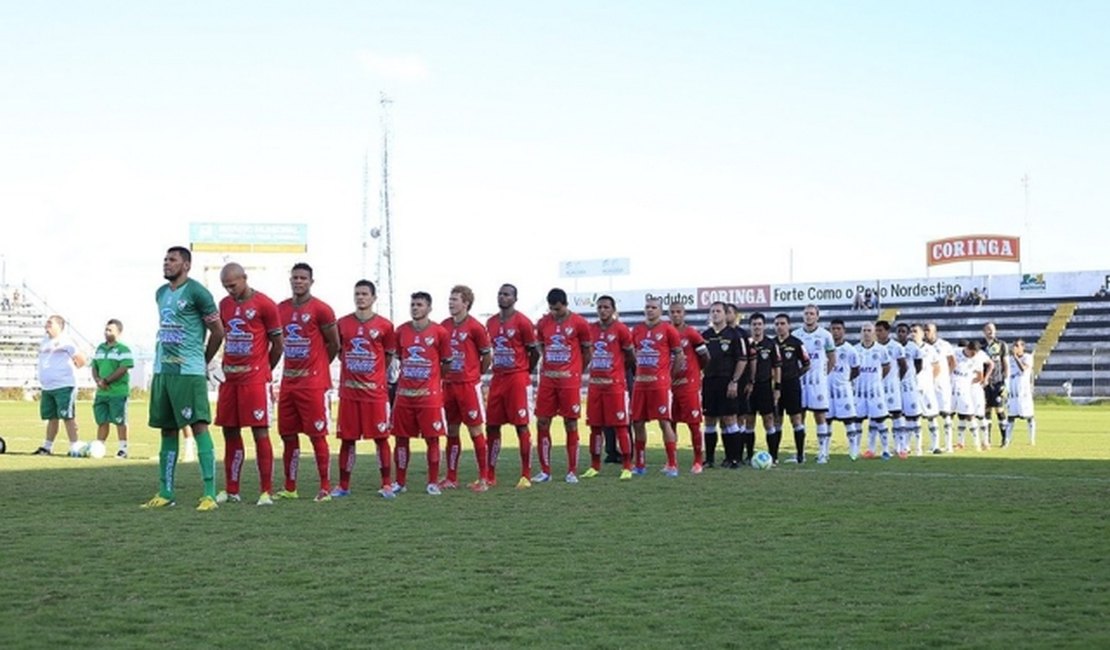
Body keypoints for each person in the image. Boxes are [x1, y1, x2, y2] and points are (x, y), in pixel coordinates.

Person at [142, 246, 225, 511]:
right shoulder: (161, 293)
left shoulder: (198, 292)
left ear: (186, 265)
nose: (166, 263)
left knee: (199, 426)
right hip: (162, 370)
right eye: (165, 259)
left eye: (172, 260)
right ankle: (166, 492)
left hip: (188, 371)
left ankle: (209, 494)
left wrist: (203, 361)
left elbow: (218, 331)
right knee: (167, 429)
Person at [213, 263, 283, 506]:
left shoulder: (265, 304)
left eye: (233, 285)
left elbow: (278, 343)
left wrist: (264, 370)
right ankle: (231, 489)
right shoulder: (224, 305)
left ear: (244, 278)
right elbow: (221, 334)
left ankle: (266, 491)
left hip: (255, 381)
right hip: (230, 380)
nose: (230, 290)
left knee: (259, 431)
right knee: (229, 431)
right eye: (225, 286)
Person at [275, 263, 341, 503]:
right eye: (295, 277)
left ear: (311, 281)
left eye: (303, 278)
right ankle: (290, 487)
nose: (298, 281)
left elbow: (333, 344)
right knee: (288, 435)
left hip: (313, 384)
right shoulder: (280, 309)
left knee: (317, 435)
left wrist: (319, 366)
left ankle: (325, 486)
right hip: (288, 383)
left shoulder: (322, 309)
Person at [334, 280, 397, 498]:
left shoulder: (385, 326)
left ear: (373, 298)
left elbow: (388, 355)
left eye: (364, 294)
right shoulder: (341, 323)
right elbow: (338, 350)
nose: (360, 297)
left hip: (375, 393)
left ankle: (387, 484)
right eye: (357, 293)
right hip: (349, 393)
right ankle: (343, 486)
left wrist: (374, 374)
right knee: (347, 439)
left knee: (381, 438)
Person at [391, 292, 453, 496]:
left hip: (429, 397)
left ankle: (433, 482)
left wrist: (434, 381)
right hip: (405, 396)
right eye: (413, 304)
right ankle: (400, 482)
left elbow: (446, 362)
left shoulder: (440, 332)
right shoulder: (400, 331)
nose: (415, 308)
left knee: (432, 439)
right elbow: (400, 358)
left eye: (419, 304)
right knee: (401, 438)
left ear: (429, 308)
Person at [533, 288, 592, 484]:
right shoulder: (543, 323)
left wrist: (576, 371)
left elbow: (587, 351)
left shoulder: (579, 323)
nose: (554, 313)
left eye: (557, 309)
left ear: (565, 305)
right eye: (551, 309)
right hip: (548, 380)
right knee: (542, 421)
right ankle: (545, 471)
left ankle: (572, 471)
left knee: (570, 423)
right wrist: (546, 358)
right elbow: (540, 344)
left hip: (568, 381)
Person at [485, 283, 540, 489]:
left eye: (507, 294)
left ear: (515, 299)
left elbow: (534, 352)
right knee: (491, 425)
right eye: (500, 293)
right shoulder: (490, 322)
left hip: (517, 379)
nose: (502, 297)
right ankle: (490, 474)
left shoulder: (523, 322)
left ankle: (525, 474)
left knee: (521, 425)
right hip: (498, 378)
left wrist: (525, 370)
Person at [440, 285, 493, 492]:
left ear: (466, 303)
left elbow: (486, 356)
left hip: (468, 386)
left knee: (475, 430)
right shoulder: (443, 326)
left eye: (455, 299)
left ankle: (484, 478)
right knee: (451, 430)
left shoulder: (476, 327)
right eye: (450, 299)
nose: (451, 303)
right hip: (449, 385)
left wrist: (474, 375)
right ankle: (451, 477)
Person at [630, 297, 684, 476]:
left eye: (654, 307)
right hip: (640, 384)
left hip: (659, 385)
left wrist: (670, 376)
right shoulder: (637, 330)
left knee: (664, 422)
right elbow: (630, 355)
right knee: (637, 422)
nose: (650, 310)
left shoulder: (668, 329)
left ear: (660, 311)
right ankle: (640, 464)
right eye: (647, 307)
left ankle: (672, 464)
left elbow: (679, 356)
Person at [584, 295, 636, 479]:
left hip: (615, 387)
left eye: (606, 307)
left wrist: (618, 372)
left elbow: (630, 356)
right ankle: (594, 466)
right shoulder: (590, 329)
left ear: (613, 309)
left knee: (621, 426)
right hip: (595, 387)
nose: (602, 310)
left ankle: (627, 466)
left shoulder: (621, 329)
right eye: (599, 307)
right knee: (595, 427)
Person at [32, 315, 88, 456]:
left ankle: (74, 446)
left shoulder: (66, 340)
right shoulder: (44, 341)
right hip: (47, 387)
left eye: (50, 323)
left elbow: (81, 360)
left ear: (59, 326)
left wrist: (64, 371)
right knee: (52, 418)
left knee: (68, 416)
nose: (47, 325)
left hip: (64, 385)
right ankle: (47, 447)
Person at [698, 302, 745, 469]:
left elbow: (742, 360)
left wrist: (735, 381)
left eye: (718, 311)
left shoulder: (734, 335)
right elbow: (699, 360)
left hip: (727, 382)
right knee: (709, 419)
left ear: (726, 314)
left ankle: (733, 458)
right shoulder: (705, 335)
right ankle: (709, 459)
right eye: (712, 311)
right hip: (709, 381)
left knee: (730, 418)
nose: (715, 314)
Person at [668, 302, 711, 471]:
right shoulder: (666, 332)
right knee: (670, 423)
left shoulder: (691, 333)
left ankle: (698, 461)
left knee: (693, 424)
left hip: (689, 386)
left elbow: (705, 356)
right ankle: (671, 461)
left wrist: (696, 371)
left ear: (684, 314)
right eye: (672, 312)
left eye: (678, 312)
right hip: (670, 386)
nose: (675, 315)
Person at [793, 304, 836, 463]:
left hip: (818, 383)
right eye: (806, 313)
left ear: (817, 316)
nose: (809, 316)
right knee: (799, 417)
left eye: (812, 313)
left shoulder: (825, 335)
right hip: (801, 381)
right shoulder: (796, 335)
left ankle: (823, 452)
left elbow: (832, 358)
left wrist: (824, 375)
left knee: (820, 416)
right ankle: (800, 453)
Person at [90, 319, 133, 459]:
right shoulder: (100, 348)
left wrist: (107, 380)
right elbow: (94, 366)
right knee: (102, 421)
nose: (107, 332)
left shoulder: (123, 349)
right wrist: (98, 380)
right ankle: (99, 447)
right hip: (102, 392)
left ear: (119, 332)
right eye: (106, 329)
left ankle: (123, 449)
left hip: (117, 392)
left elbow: (123, 368)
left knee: (120, 421)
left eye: (110, 330)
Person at [772, 313, 808, 464]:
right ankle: (774, 456)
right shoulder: (771, 343)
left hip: (792, 386)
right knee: (776, 421)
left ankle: (800, 455)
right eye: (777, 324)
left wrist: (795, 375)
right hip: (775, 388)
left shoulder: (796, 343)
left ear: (789, 325)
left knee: (796, 420)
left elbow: (807, 363)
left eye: (782, 323)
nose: (779, 327)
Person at [856, 322, 892, 459]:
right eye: (864, 330)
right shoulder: (855, 349)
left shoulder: (881, 350)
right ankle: (855, 450)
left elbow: (886, 367)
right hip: (859, 392)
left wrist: (877, 380)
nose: (866, 333)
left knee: (880, 421)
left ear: (874, 333)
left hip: (875, 392)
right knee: (857, 421)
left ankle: (885, 450)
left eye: (869, 330)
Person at [748, 313, 781, 460]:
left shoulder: (771, 344)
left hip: (765, 386)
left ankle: (773, 456)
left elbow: (777, 367)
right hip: (749, 387)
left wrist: (777, 388)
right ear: (750, 326)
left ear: (764, 326)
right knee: (749, 420)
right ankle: (748, 456)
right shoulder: (746, 343)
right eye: (754, 324)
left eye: (759, 324)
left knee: (768, 419)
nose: (757, 327)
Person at [827, 319, 861, 461]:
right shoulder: (825, 348)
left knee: (849, 421)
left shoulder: (850, 350)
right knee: (826, 421)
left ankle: (853, 451)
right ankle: (824, 451)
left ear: (844, 331)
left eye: (838, 329)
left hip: (843, 390)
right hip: (827, 390)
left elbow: (856, 370)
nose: (835, 331)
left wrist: (845, 380)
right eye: (833, 329)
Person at [874, 321, 907, 458]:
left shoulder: (896, 347)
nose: (878, 333)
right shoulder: (873, 347)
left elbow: (904, 366)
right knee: (879, 417)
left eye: (880, 330)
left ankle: (901, 448)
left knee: (896, 415)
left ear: (887, 331)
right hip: (877, 387)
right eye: (876, 330)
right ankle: (885, 449)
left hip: (892, 387)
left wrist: (896, 379)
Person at [952, 340, 993, 451]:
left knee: (979, 415)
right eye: (972, 353)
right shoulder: (955, 352)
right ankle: (960, 442)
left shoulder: (980, 355)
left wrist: (985, 379)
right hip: (961, 387)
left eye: (975, 353)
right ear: (968, 348)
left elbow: (990, 364)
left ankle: (985, 442)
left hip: (975, 387)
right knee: (962, 414)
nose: (974, 355)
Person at [925, 322, 957, 453]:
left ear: (935, 331)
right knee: (931, 415)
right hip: (928, 385)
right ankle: (935, 445)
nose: (926, 332)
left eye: (929, 330)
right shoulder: (922, 346)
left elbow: (953, 362)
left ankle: (949, 445)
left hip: (942, 385)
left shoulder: (944, 345)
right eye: (925, 330)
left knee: (946, 414)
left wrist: (945, 375)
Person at [910, 324, 943, 454]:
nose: (913, 334)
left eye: (916, 331)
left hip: (927, 388)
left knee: (932, 417)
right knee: (914, 418)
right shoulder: (907, 348)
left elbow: (937, 367)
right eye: (911, 331)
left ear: (922, 334)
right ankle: (916, 448)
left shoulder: (930, 349)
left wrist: (930, 381)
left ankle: (935, 446)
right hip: (912, 389)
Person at [895, 323, 926, 456]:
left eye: (903, 332)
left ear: (907, 334)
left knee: (914, 417)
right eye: (899, 332)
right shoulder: (893, 347)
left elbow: (919, 366)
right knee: (899, 417)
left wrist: (909, 377)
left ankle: (918, 448)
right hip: (896, 386)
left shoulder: (913, 347)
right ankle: (903, 446)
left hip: (910, 386)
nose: (901, 334)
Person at [980, 322, 1010, 447]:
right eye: (988, 329)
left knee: (999, 409)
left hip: (998, 382)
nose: (990, 331)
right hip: (984, 383)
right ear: (984, 331)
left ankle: (1005, 439)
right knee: (986, 411)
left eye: (992, 329)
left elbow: (1006, 363)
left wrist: (1006, 381)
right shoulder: (980, 346)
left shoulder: (1001, 345)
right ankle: (988, 440)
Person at [1005, 338, 1036, 447]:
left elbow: (1023, 369)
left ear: (1023, 347)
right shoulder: (1009, 359)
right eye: (1014, 345)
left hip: (1024, 393)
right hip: (1012, 393)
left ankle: (1031, 440)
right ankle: (1007, 441)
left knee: (1029, 417)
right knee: (1010, 417)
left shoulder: (1028, 357)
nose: (1015, 347)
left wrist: (1015, 357)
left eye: (1018, 345)